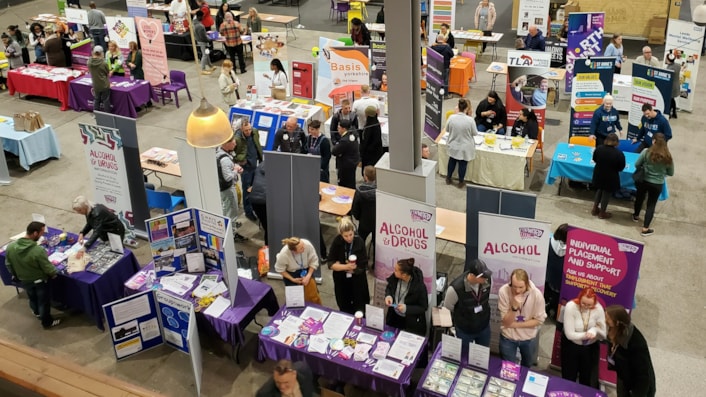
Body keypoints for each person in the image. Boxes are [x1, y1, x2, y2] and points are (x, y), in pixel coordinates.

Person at [5, 221, 61, 329]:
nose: (42, 235)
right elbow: (47, 267)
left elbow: (8, 264)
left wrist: (15, 275)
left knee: (32, 297)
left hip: (24, 280)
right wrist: (54, 274)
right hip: (39, 281)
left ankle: (36, 313)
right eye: (41, 233)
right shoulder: (37, 251)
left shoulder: (11, 247)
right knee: (43, 302)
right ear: (35, 233)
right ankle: (47, 322)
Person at [498, 268, 546, 367]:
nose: (517, 290)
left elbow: (539, 320)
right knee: (508, 368)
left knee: (527, 366)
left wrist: (515, 324)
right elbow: (506, 322)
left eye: (521, 287)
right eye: (514, 287)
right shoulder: (504, 291)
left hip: (528, 338)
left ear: (527, 284)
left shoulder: (537, 295)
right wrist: (514, 308)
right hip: (508, 337)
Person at [605, 305, 656, 397]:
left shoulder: (636, 344)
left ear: (617, 322)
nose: (605, 320)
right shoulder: (615, 330)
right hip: (624, 376)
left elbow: (643, 375)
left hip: (637, 384)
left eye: (608, 318)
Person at [561, 288, 606, 387]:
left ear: (594, 303)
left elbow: (603, 334)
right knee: (569, 376)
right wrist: (587, 335)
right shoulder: (571, 306)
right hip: (571, 346)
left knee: (588, 379)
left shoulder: (599, 309)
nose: (585, 306)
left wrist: (594, 330)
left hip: (590, 348)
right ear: (579, 298)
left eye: (589, 305)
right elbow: (569, 334)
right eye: (583, 303)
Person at [443, 259, 493, 348]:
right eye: (482, 277)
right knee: (464, 355)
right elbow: (448, 307)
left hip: (483, 327)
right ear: (473, 275)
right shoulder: (455, 289)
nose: (485, 278)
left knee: (482, 354)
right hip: (464, 331)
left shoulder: (487, 280)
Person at [633, 133, 674, 237]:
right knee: (651, 204)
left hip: (644, 180)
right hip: (657, 183)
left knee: (639, 197)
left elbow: (637, 164)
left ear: (653, 141)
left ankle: (636, 216)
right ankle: (645, 228)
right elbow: (671, 173)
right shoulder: (668, 156)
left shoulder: (646, 152)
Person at [327, 217, 370, 315]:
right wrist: (346, 267)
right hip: (341, 281)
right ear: (341, 234)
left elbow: (363, 265)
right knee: (344, 305)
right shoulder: (337, 242)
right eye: (345, 236)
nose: (349, 238)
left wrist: (341, 266)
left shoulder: (359, 242)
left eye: (351, 234)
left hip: (357, 281)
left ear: (353, 231)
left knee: (360, 306)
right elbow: (330, 264)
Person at [384, 258, 429, 336]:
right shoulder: (395, 278)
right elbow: (389, 288)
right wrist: (388, 296)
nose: (394, 271)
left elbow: (423, 307)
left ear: (404, 275)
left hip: (410, 322)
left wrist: (407, 308)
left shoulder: (419, 287)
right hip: (394, 317)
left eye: (396, 270)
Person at [216, 136, 247, 242]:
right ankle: (232, 234)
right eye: (233, 143)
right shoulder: (224, 159)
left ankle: (228, 227)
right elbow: (228, 177)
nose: (235, 144)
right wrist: (236, 171)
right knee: (232, 211)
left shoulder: (221, 152)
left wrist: (234, 166)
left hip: (223, 188)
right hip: (228, 188)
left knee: (226, 209)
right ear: (226, 144)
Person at [275, 237, 321, 304]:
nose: (304, 247)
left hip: (306, 270)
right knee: (295, 301)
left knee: (313, 295)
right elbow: (280, 269)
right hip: (291, 273)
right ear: (293, 251)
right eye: (301, 248)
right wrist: (292, 279)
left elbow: (314, 261)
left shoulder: (307, 245)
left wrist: (308, 276)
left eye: (303, 245)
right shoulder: (284, 254)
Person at [591, 133, 625, 219]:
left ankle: (595, 208)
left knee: (599, 189)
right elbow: (621, 167)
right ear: (616, 142)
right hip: (610, 177)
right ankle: (602, 213)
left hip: (598, 174)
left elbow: (594, 159)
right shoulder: (619, 153)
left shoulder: (599, 149)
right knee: (606, 193)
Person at [445, 98, 478, 187]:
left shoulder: (452, 117)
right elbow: (475, 133)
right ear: (467, 108)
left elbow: (447, 129)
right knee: (463, 165)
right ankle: (460, 181)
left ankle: (448, 178)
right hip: (465, 147)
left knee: (452, 162)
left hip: (453, 144)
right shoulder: (470, 120)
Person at [234, 119, 262, 223]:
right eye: (246, 130)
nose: (248, 132)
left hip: (255, 165)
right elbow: (232, 153)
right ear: (241, 129)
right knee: (247, 189)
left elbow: (257, 145)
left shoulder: (254, 132)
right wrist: (239, 161)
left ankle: (255, 208)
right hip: (246, 168)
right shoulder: (237, 138)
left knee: (254, 188)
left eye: (249, 129)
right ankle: (248, 212)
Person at [544, 223, 567, 321]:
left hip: (549, 278)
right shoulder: (572, 251)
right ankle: (553, 312)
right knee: (557, 299)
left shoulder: (548, 243)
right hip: (561, 282)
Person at [351, 164, 377, 248]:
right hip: (376, 222)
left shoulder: (359, 191)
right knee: (376, 244)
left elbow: (355, 209)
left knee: (359, 242)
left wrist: (358, 217)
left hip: (364, 222)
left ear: (365, 177)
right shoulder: (380, 191)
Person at [331, 119, 359, 189]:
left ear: (343, 129)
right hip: (353, 162)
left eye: (339, 128)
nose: (338, 129)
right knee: (351, 181)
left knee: (345, 184)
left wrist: (338, 149)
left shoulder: (344, 140)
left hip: (345, 165)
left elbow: (334, 151)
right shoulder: (353, 134)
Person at [248, 161, 268, 244]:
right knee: (270, 228)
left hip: (254, 201)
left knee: (267, 226)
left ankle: (267, 249)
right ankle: (269, 250)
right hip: (265, 201)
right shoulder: (277, 169)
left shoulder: (260, 165)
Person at [359, 106, 384, 173]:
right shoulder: (375, 122)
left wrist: (362, 151)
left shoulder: (371, 126)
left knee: (370, 172)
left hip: (370, 154)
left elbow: (366, 140)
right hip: (375, 152)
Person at [87, 45, 111, 113]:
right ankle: (107, 115)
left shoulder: (89, 62)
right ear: (101, 53)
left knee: (96, 99)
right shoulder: (103, 63)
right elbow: (107, 72)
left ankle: (96, 114)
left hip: (95, 84)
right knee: (106, 100)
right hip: (104, 84)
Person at [193, 11, 216, 75]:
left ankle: (210, 66)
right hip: (203, 42)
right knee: (204, 55)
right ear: (200, 16)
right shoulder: (200, 26)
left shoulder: (194, 23)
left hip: (199, 40)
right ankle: (203, 69)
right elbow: (203, 37)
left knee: (207, 53)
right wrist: (210, 39)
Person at [665, 53, 680, 119]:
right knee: (672, 99)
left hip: (671, 87)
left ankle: (670, 113)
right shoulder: (678, 65)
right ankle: (674, 112)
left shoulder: (669, 68)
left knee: (670, 100)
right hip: (676, 85)